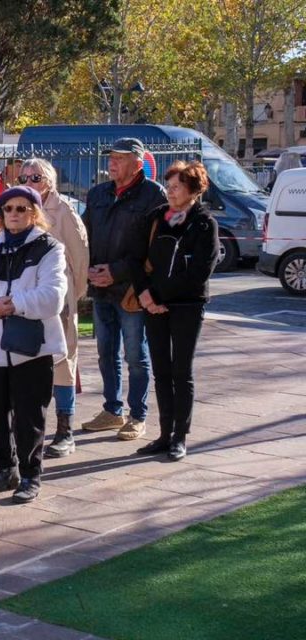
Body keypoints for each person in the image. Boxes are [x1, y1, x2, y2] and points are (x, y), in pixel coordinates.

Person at [0, 186, 67, 504]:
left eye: (22, 208)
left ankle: (31, 475)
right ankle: (4, 469)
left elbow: (53, 297)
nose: (14, 214)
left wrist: (10, 304)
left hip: (33, 347)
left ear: (34, 212)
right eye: (8, 209)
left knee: (30, 416)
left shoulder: (49, 248)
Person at [130, 161, 219, 462]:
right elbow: (135, 257)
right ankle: (164, 433)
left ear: (193, 190)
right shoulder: (156, 218)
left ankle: (180, 436)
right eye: (168, 186)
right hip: (153, 306)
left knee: (181, 371)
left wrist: (158, 295)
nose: (170, 191)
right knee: (161, 371)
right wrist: (145, 294)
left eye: (176, 186)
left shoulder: (204, 223)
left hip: (187, 306)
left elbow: (199, 271)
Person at [82, 137, 165, 441]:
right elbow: (84, 236)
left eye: (119, 157)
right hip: (101, 289)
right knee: (105, 353)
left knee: (135, 355)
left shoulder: (154, 196)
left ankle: (137, 415)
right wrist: (89, 269)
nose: (111, 162)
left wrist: (116, 272)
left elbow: (155, 248)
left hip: (131, 291)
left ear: (137, 163)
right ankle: (111, 410)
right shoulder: (98, 194)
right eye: (111, 156)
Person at [18, 158, 90, 458]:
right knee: (23, 359)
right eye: (23, 177)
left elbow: (80, 257)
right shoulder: (18, 207)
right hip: (26, 296)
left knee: (63, 361)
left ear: (48, 181)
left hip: (58, 296)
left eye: (34, 177)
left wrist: (72, 295)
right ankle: (24, 426)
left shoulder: (64, 212)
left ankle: (65, 430)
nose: (28, 182)